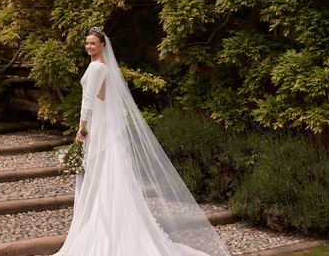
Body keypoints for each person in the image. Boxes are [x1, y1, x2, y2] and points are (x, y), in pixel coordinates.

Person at [53, 27, 230, 256]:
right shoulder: (101, 66)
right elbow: (103, 96)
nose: (89, 47)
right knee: (108, 177)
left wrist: (81, 129)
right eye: (87, 43)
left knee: (102, 178)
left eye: (93, 43)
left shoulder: (96, 66)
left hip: (97, 129)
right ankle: (118, 227)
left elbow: (88, 101)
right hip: (104, 130)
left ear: (102, 45)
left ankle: (106, 233)